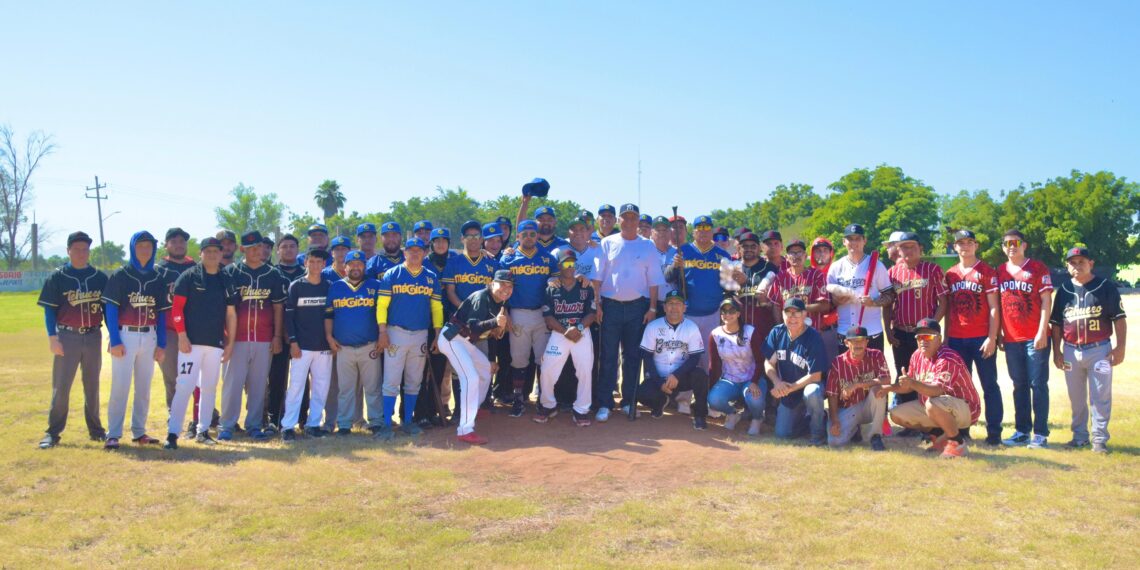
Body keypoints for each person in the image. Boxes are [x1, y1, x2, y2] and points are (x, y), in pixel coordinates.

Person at [591, 203, 665, 421]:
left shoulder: (648, 246)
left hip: (637, 307)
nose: (630, 221)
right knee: (608, 357)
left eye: (634, 218)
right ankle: (605, 403)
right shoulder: (607, 243)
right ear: (619, 220)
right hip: (610, 306)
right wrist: (597, 305)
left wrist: (652, 307)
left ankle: (628, 402)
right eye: (626, 217)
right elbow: (597, 277)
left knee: (632, 357)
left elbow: (653, 280)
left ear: (638, 220)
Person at [1050, 246, 1127, 454]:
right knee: (1076, 398)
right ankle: (1080, 437)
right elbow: (1056, 324)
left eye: (1081, 261)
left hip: (1099, 349)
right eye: (1072, 263)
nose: (1077, 266)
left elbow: (1119, 319)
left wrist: (1120, 347)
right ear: (1067, 266)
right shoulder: (1064, 290)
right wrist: (1056, 351)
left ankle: (1100, 439)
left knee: (1100, 396)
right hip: (1070, 351)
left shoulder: (1105, 287)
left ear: (1090, 263)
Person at [37, 231, 109, 449]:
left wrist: (112, 337)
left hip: (93, 335)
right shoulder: (58, 277)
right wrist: (52, 337)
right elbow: (49, 311)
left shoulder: (99, 277)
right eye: (76, 249)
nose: (81, 253)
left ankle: (96, 430)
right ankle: (53, 432)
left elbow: (108, 310)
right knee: (61, 386)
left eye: (85, 249)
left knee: (92, 385)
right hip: (67, 336)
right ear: (68, 251)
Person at [164, 237, 237, 449]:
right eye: (208, 251)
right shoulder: (188, 277)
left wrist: (230, 343)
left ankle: (203, 431)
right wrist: (182, 335)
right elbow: (176, 310)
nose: (213, 255)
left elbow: (231, 314)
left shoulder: (225, 278)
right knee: (184, 387)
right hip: (191, 344)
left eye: (216, 251)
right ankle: (172, 433)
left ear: (221, 254)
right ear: (201, 254)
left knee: (209, 388)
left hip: (215, 344)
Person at [102, 230, 171, 450]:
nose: (145, 249)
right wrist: (114, 340)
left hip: (149, 335)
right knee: (120, 386)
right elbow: (110, 309)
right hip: (125, 335)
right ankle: (113, 433)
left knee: (143, 387)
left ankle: (139, 431)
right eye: (140, 245)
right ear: (133, 248)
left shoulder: (157, 278)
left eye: (149, 246)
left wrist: (161, 344)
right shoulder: (121, 275)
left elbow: (162, 313)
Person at [219, 231, 288, 441]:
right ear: (243, 250)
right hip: (236, 338)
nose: (257, 251)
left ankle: (254, 424)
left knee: (259, 384)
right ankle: (227, 425)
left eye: (259, 247)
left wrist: (277, 336)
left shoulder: (272, 274)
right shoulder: (231, 272)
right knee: (232, 383)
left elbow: (278, 307)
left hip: (264, 337)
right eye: (252, 248)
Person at [882, 318, 981, 458]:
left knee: (932, 403)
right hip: (938, 406)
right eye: (919, 337)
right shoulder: (917, 355)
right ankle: (940, 438)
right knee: (897, 414)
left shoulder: (947, 358)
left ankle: (957, 443)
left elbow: (937, 390)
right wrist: (889, 388)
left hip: (966, 408)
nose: (923, 340)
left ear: (939, 339)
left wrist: (912, 383)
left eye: (928, 336)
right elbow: (908, 386)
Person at [438, 270, 515, 444]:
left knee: (486, 369)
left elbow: (492, 334)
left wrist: (491, 358)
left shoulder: (499, 301)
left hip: (464, 341)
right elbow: (474, 327)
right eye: (502, 284)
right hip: (452, 338)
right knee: (470, 378)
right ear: (492, 283)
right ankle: (465, 429)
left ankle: (473, 408)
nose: (506, 288)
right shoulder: (482, 297)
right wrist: (495, 322)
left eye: (509, 286)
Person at [377, 238, 443, 436]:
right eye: (411, 250)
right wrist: (382, 331)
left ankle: (408, 421)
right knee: (391, 380)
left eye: (419, 250)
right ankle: (387, 424)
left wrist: (438, 333)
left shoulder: (430, 277)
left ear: (424, 253)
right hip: (396, 332)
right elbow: (382, 305)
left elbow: (437, 307)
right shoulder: (393, 274)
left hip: (421, 333)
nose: (415, 254)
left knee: (414, 380)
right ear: (404, 253)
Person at [997, 229, 1054, 449]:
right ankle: (1022, 431)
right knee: (1018, 385)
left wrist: (1041, 331)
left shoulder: (1038, 268)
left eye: (1016, 242)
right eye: (1007, 243)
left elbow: (1046, 302)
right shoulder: (1000, 271)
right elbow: (998, 305)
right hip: (1011, 338)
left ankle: (1040, 434)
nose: (1012, 246)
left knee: (1037, 384)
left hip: (1034, 337)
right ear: (1003, 247)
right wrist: (1000, 333)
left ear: (1024, 245)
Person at [945, 229, 1002, 445]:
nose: (965, 246)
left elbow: (994, 308)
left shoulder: (986, 271)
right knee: (960, 388)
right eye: (961, 243)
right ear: (955, 246)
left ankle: (994, 433)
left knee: (989, 385)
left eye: (969, 242)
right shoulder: (950, 274)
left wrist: (992, 337)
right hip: (957, 338)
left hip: (981, 337)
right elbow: (950, 308)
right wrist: (946, 337)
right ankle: (963, 430)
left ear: (976, 245)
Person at [667, 214, 729, 413]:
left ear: (711, 231)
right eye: (699, 229)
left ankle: (709, 400)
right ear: (693, 232)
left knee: (710, 358)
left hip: (713, 313)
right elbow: (668, 277)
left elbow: (731, 287)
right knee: (685, 356)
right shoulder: (682, 251)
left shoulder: (722, 255)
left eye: (706, 229)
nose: (703, 233)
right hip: (688, 313)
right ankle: (684, 398)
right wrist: (674, 265)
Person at [499, 220, 558, 417]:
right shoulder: (508, 259)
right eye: (524, 234)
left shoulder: (548, 258)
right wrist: (504, 312)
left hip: (542, 314)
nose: (529, 237)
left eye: (532, 234)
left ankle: (544, 397)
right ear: (518, 237)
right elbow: (500, 290)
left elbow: (556, 285)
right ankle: (518, 399)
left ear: (538, 235)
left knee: (544, 359)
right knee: (519, 358)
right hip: (518, 312)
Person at [883, 232, 947, 413]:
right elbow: (888, 304)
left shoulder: (932, 270)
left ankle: (930, 422)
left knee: (927, 376)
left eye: (912, 246)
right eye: (903, 246)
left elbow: (943, 302)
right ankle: (909, 422)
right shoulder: (892, 273)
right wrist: (888, 330)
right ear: (898, 249)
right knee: (904, 376)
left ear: (920, 248)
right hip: (901, 332)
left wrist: (932, 326)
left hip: (925, 334)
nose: (907, 250)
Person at [535, 249, 597, 426]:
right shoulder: (552, 287)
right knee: (547, 369)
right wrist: (565, 332)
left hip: (581, 332)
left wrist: (577, 328)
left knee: (585, 370)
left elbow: (591, 313)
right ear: (559, 265)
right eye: (566, 263)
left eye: (572, 263)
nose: (570, 267)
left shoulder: (585, 285)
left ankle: (582, 409)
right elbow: (548, 317)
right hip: (559, 332)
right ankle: (548, 405)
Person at [325, 250, 383, 436]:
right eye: (352, 263)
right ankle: (344, 423)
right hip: (344, 347)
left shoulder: (375, 285)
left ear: (365, 266)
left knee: (373, 387)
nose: (356, 267)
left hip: (369, 345)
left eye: (360, 263)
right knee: (345, 389)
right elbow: (328, 315)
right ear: (345, 266)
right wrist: (329, 336)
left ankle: (376, 421)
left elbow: (384, 314)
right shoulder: (336, 287)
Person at [281, 249, 334, 441]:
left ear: (324, 264)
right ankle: (288, 427)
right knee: (295, 387)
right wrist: (293, 342)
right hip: (301, 347)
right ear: (305, 263)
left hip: (323, 347)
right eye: (311, 261)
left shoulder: (329, 286)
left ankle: (313, 425)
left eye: (319, 262)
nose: (315, 265)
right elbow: (289, 317)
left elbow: (332, 316)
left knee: (321, 387)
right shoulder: (296, 286)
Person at [637, 290, 709, 430]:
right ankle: (660, 402)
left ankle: (700, 415)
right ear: (664, 307)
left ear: (684, 307)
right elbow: (647, 356)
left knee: (700, 376)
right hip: (658, 376)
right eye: (670, 304)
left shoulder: (691, 327)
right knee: (642, 393)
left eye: (678, 304)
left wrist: (677, 375)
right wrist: (659, 382)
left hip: (680, 377)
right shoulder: (653, 326)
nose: (674, 307)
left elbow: (695, 357)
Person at [763, 298, 828, 444]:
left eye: (796, 313)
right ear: (782, 314)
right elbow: (768, 362)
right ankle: (808, 420)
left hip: (808, 387)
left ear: (805, 315)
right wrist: (777, 382)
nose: (792, 317)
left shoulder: (813, 337)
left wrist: (789, 388)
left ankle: (817, 433)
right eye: (788, 313)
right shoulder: (777, 332)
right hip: (788, 392)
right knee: (782, 434)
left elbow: (816, 376)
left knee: (812, 392)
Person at [826, 224, 895, 351]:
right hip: (845, 333)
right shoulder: (836, 267)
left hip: (871, 332)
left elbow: (890, 295)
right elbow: (829, 301)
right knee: (847, 371)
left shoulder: (877, 266)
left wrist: (873, 302)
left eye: (857, 238)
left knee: (873, 371)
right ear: (844, 242)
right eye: (850, 239)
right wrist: (836, 301)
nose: (854, 242)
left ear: (864, 241)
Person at [706, 298, 765, 436]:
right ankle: (732, 414)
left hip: (751, 379)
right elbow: (714, 364)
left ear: (738, 314)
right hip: (729, 380)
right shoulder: (715, 334)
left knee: (754, 400)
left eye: (731, 311)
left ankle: (757, 418)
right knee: (714, 399)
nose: (727, 314)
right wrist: (711, 390)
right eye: (724, 311)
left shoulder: (750, 332)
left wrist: (755, 381)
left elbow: (761, 361)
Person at [825, 326, 890, 450]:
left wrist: (858, 385)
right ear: (846, 343)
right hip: (848, 408)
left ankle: (875, 435)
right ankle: (854, 429)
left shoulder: (876, 355)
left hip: (868, 405)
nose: (858, 344)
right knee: (835, 442)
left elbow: (886, 379)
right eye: (854, 341)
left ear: (867, 342)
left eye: (861, 340)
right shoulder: (838, 362)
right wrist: (834, 420)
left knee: (879, 390)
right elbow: (832, 393)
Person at [266, 233, 306, 433]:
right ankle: (274, 418)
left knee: (302, 380)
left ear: (298, 250)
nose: (289, 249)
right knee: (276, 379)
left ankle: (303, 419)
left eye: (292, 246)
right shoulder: (272, 273)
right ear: (278, 250)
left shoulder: (306, 273)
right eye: (284, 246)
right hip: (278, 336)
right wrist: (278, 335)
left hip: (302, 337)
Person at [156, 227, 196, 411]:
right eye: (174, 241)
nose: (179, 245)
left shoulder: (195, 267)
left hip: (195, 329)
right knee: (171, 376)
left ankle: (203, 414)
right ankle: (174, 413)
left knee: (198, 376)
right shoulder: (159, 270)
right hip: (169, 330)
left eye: (182, 241)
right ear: (166, 245)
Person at [768, 239, 830, 329]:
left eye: (799, 252)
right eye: (792, 253)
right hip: (788, 331)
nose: (796, 256)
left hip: (811, 330)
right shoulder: (780, 277)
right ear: (787, 257)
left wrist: (801, 308)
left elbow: (825, 305)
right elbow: (776, 306)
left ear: (805, 256)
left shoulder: (816, 275)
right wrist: (780, 328)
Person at [809, 236, 840, 363]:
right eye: (818, 250)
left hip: (831, 329)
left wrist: (828, 319)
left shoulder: (837, 273)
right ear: (812, 253)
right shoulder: (807, 274)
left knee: (832, 367)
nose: (821, 253)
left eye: (825, 250)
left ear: (830, 253)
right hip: (809, 328)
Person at [650, 216, 677, 313]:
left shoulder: (677, 253)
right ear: (652, 233)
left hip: (674, 302)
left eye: (665, 230)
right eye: (658, 230)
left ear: (670, 233)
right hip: (651, 303)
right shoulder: (646, 252)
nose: (662, 233)